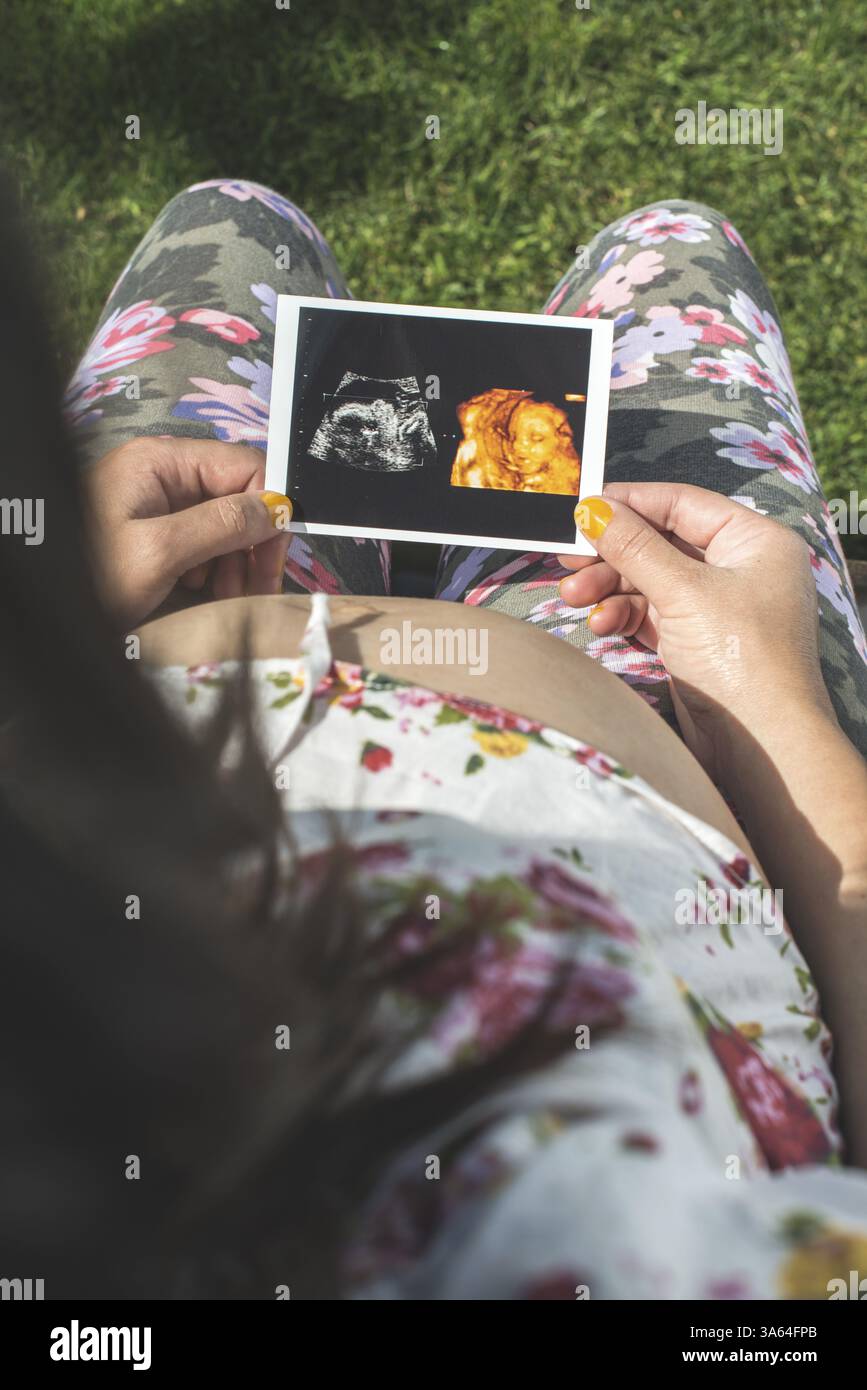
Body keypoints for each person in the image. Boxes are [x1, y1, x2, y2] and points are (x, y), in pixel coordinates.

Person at [2, 173, 866, 1300]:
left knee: (234, 217)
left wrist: (54, 648)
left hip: (153, 632)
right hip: (685, 723)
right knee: (671, 241)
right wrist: (774, 713)